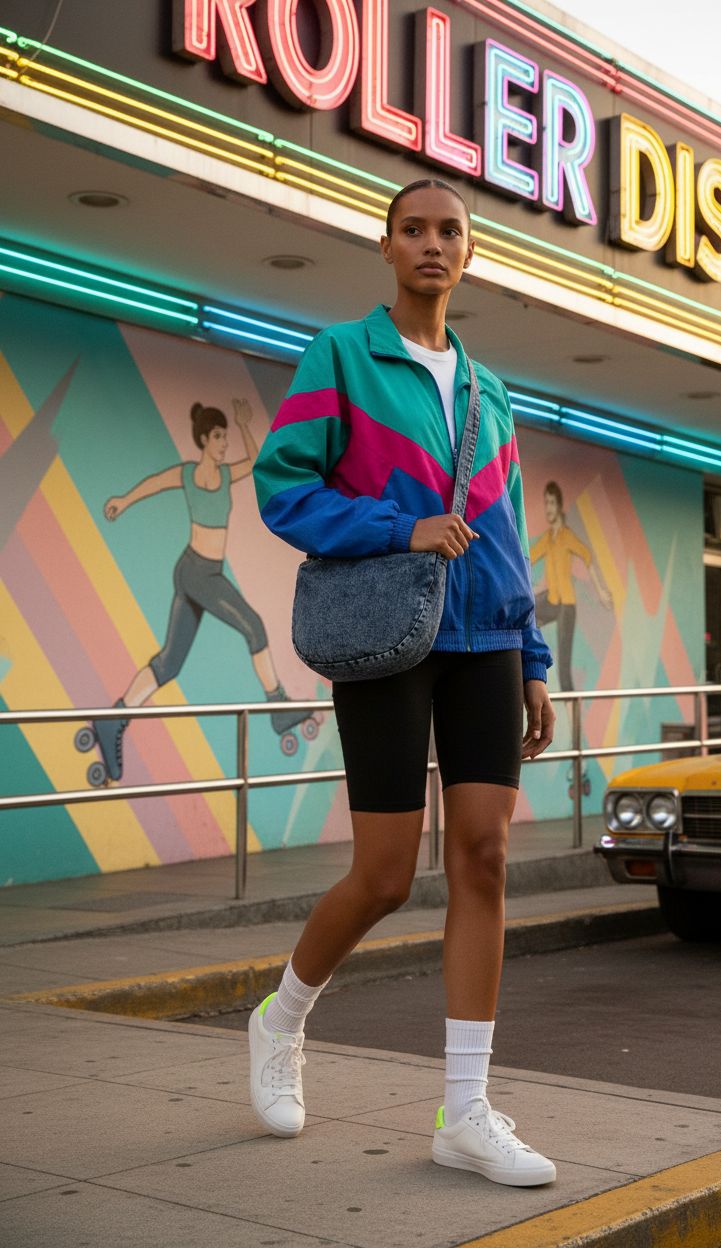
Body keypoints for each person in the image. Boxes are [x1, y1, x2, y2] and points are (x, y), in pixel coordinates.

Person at [250, 179, 557, 1187]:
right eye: (415, 229)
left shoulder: (489, 390)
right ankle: (282, 1013)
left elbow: (506, 528)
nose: (433, 243)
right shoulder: (341, 356)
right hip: (385, 628)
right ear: (386, 246)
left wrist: (536, 661)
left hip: (483, 638)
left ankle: (463, 1111)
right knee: (384, 873)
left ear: (468, 254)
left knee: (484, 856)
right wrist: (399, 525)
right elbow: (282, 487)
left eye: (450, 231)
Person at [99, 399, 302, 780]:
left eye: (226, 436)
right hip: (197, 572)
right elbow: (154, 484)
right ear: (205, 439)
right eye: (220, 436)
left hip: (201, 571)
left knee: (169, 663)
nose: (225, 443)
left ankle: (114, 719)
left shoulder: (226, 475)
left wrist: (244, 426)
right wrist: (123, 501)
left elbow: (258, 464)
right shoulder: (188, 474)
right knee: (255, 627)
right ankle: (278, 707)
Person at [532, 479, 613, 692]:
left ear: (558, 506)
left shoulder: (567, 536)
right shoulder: (548, 538)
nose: (547, 508)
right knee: (527, 609)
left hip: (566, 606)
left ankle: (574, 721)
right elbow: (528, 558)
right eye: (545, 503)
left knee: (564, 672)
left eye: (551, 503)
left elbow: (587, 557)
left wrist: (601, 592)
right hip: (552, 600)